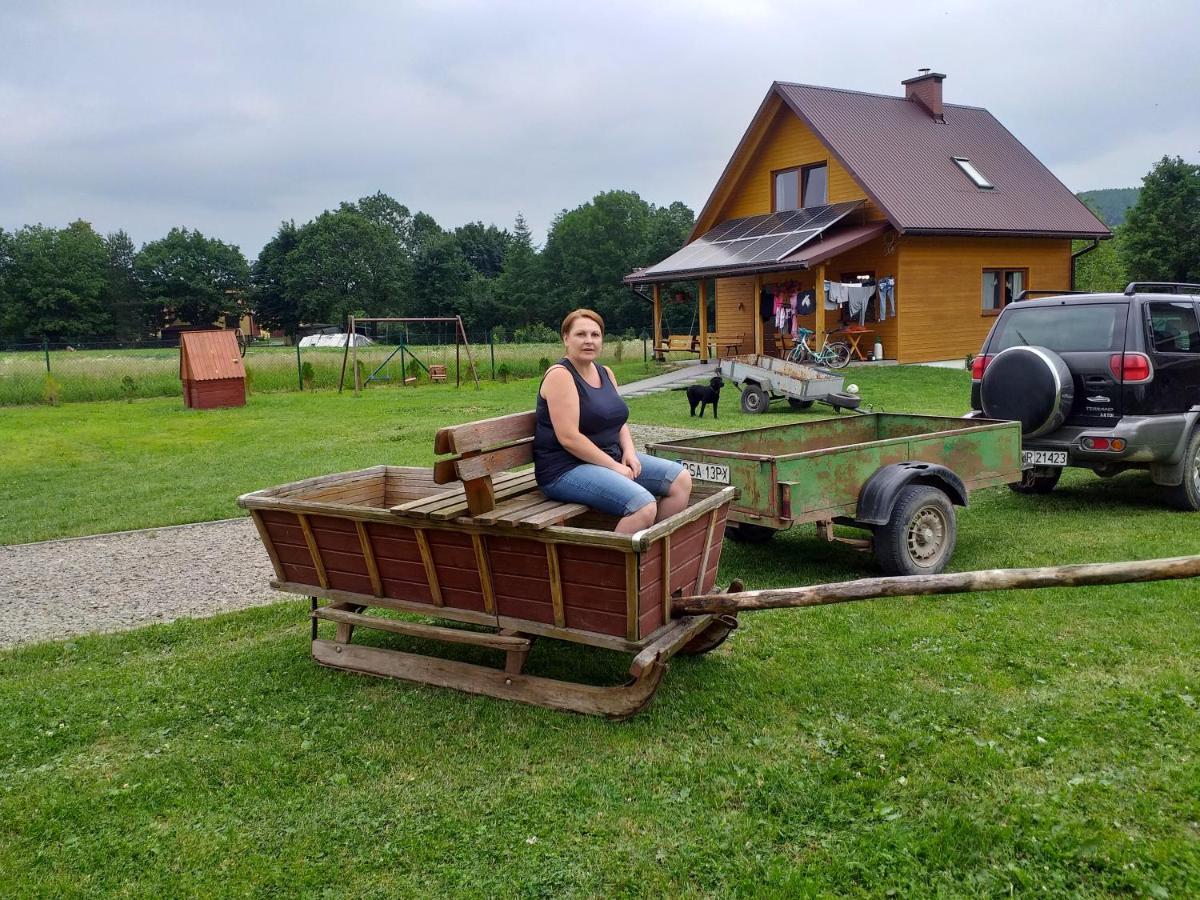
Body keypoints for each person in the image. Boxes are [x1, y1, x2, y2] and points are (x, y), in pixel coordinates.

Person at [534, 309, 692, 534]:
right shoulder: (561, 375)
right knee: (643, 506)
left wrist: (628, 451)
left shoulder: (605, 373)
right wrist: (615, 467)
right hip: (565, 469)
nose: (589, 341)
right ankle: (609, 567)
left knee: (680, 479)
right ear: (566, 338)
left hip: (609, 459)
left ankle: (652, 554)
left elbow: (618, 420)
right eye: (581, 334)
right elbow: (569, 438)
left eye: (595, 335)